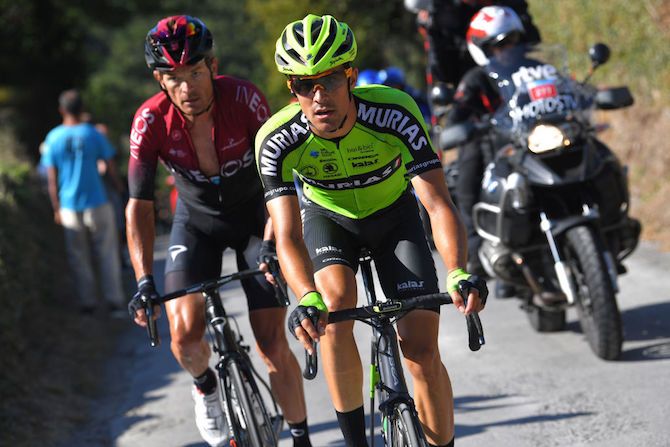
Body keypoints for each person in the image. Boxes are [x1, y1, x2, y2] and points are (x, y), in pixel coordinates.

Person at [256, 14, 488, 447]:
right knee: (334, 307)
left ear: (351, 76)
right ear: (293, 89)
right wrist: (305, 296)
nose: (319, 96)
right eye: (305, 85)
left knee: (421, 353)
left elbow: (437, 202)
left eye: (329, 80)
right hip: (329, 221)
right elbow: (286, 234)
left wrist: (457, 271)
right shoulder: (276, 139)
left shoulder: (394, 111)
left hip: (394, 217)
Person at [125, 16, 312, 447]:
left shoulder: (244, 98)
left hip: (253, 220)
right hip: (197, 226)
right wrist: (143, 281)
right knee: (185, 336)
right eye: (174, 78)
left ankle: (300, 436)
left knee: (270, 342)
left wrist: (272, 241)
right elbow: (139, 206)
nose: (187, 87)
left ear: (213, 66)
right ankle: (207, 387)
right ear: (160, 80)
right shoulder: (150, 121)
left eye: (194, 72)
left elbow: (279, 179)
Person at [447, 6, 536, 288]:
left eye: (513, 41)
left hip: (532, 137)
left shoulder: (535, 69)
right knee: (467, 177)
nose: (509, 49)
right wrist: (474, 125)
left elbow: (564, 88)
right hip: (492, 142)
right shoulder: (476, 79)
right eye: (501, 44)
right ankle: (477, 255)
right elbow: (455, 117)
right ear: (484, 48)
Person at [41, 89, 126, 316]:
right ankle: (114, 301)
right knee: (107, 253)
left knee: (79, 257)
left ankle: (88, 302)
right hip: (98, 200)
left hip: (69, 204)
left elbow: (51, 178)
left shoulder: (53, 137)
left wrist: (56, 207)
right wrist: (120, 188)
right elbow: (110, 166)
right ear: (81, 108)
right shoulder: (93, 133)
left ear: (61, 110)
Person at [405, 0, 540, 98]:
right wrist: (433, 30)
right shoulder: (443, 14)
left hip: (524, 77)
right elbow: (444, 74)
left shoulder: (506, 6)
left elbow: (533, 40)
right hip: (478, 92)